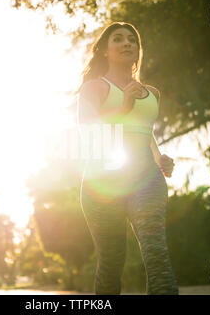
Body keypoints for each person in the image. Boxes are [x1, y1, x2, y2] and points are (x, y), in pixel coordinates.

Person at [76, 22, 179, 295]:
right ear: (104, 51)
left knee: (156, 253)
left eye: (132, 40)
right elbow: (87, 134)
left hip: (146, 178)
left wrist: (160, 158)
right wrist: (123, 107)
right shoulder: (94, 88)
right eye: (118, 39)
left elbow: (145, 132)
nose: (126, 43)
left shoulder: (152, 93)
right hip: (102, 183)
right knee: (111, 262)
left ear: (138, 49)